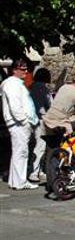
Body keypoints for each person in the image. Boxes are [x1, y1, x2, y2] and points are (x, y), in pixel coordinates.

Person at [41, 71, 75, 191]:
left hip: (49, 121)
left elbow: (66, 106)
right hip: (61, 122)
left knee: (52, 152)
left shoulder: (64, 87)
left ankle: (51, 183)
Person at [2, 60, 39, 190]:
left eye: (26, 69)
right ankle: (20, 182)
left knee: (19, 152)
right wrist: (24, 121)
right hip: (18, 123)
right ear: (14, 70)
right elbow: (15, 105)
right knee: (21, 152)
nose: (26, 71)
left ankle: (15, 181)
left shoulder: (16, 83)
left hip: (19, 122)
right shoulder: (12, 84)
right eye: (23, 69)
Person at [28, 67, 52, 183]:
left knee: (33, 145)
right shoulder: (43, 88)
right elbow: (50, 104)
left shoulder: (31, 87)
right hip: (41, 119)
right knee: (40, 146)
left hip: (31, 118)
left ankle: (37, 170)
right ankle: (34, 172)